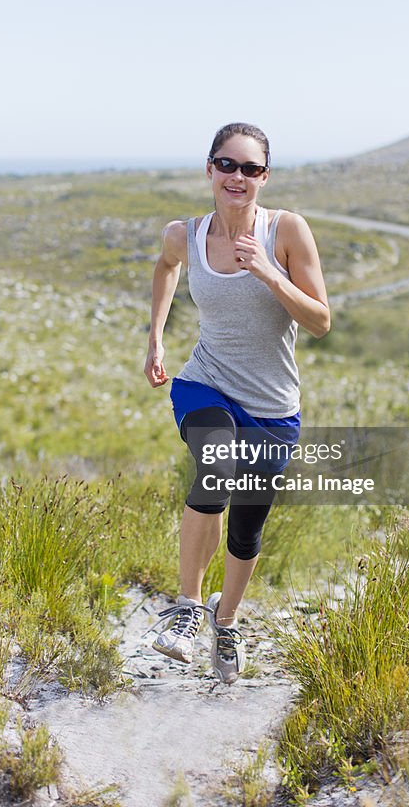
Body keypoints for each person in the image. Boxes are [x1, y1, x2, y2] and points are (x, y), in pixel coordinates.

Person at [144, 123, 330, 683]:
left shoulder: (287, 231)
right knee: (214, 466)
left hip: (272, 406)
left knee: (246, 529)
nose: (237, 177)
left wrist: (269, 273)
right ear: (210, 168)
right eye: (227, 165)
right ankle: (186, 610)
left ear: (264, 178)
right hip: (207, 381)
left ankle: (225, 624)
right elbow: (166, 267)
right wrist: (155, 336)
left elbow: (320, 321)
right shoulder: (186, 233)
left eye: (250, 169)